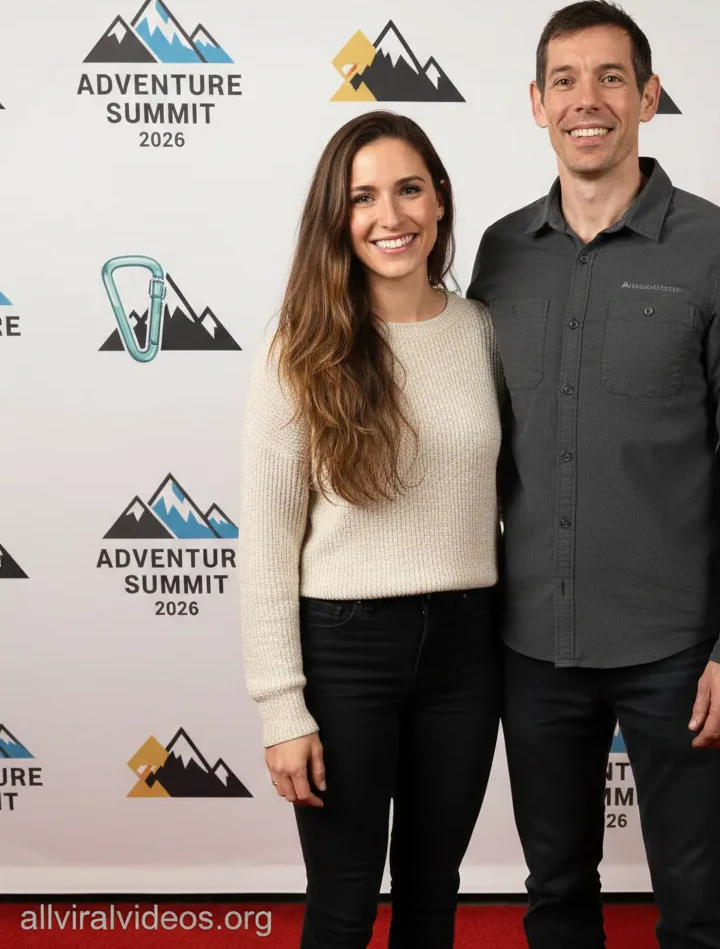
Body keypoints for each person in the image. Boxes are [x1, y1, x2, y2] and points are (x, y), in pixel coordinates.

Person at [467, 0, 720, 948]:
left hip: (680, 653)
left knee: (695, 903)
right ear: (536, 104)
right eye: (565, 81)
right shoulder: (498, 255)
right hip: (533, 646)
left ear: (648, 96)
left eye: (611, 78)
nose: (588, 100)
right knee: (554, 891)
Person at [238, 110, 504, 949]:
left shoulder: (483, 332)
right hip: (345, 649)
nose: (390, 217)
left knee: (434, 892)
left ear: (440, 201)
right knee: (344, 898)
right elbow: (269, 543)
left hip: (468, 645)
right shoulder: (300, 349)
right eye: (363, 198)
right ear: (337, 219)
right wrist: (282, 707)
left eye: (408, 190)